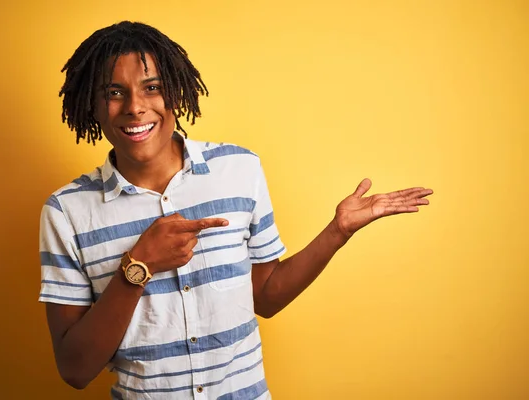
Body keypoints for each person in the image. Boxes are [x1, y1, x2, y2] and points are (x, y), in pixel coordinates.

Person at [39, 21, 433, 399]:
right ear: (91, 103)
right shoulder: (66, 212)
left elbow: (266, 297)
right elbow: (75, 370)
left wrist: (337, 232)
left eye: (152, 87)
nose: (136, 107)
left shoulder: (239, 169)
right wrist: (137, 267)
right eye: (113, 92)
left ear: (175, 91)